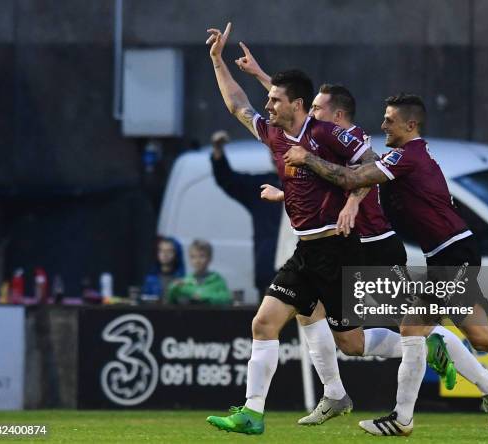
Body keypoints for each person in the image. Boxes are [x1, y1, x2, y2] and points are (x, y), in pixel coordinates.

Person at [285, 93, 488, 435]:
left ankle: (402, 419)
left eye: (389, 120)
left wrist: (307, 158)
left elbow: (354, 179)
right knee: (481, 337)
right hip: (450, 253)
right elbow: (357, 177)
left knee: (414, 328)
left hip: (453, 253)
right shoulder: (403, 157)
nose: (383, 125)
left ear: (410, 125)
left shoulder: (407, 156)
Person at [237, 46, 488, 427]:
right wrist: (261, 76)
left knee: (413, 329)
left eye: (317, 109)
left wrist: (350, 204)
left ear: (338, 115)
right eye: (309, 108)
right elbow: (292, 115)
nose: (310, 113)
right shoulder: (319, 137)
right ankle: (334, 394)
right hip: (345, 245)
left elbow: (354, 177)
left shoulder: (350, 140)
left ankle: (479, 381)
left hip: (375, 245)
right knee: (313, 315)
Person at [204, 23, 401, 435]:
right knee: (263, 323)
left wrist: (351, 199)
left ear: (297, 103)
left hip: (339, 251)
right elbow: (238, 106)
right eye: (269, 98)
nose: (268, 105)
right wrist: (218, 62)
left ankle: (422, 344)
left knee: (352, 343)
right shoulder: (276, 136)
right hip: (306, 251)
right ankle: (253, 413)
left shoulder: (327, 134)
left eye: (275, 99)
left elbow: (373, 164)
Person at [210, 129, 282, 299]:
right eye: (273, 151)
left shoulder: (310, 185)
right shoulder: (262, 185)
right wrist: (218, 152)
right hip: (270, 271)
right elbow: (228, 180)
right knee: (266, 323)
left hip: (304, 272)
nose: (276, 156)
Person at [167, 239, 231, 305]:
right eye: (193, 257)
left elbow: (227, 299)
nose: (197, 261)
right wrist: (173, 288)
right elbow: (171, 301)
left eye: (202, 256)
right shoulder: (185, 281)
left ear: (210, 258)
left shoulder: (217, 280)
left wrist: (204, 296)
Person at [141, 236, 185, 302]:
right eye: (161, 250)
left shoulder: (183, 279)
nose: (164, 254)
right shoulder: (150, 280)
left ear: (177, 254)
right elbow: (143, 300)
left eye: (169, 251)